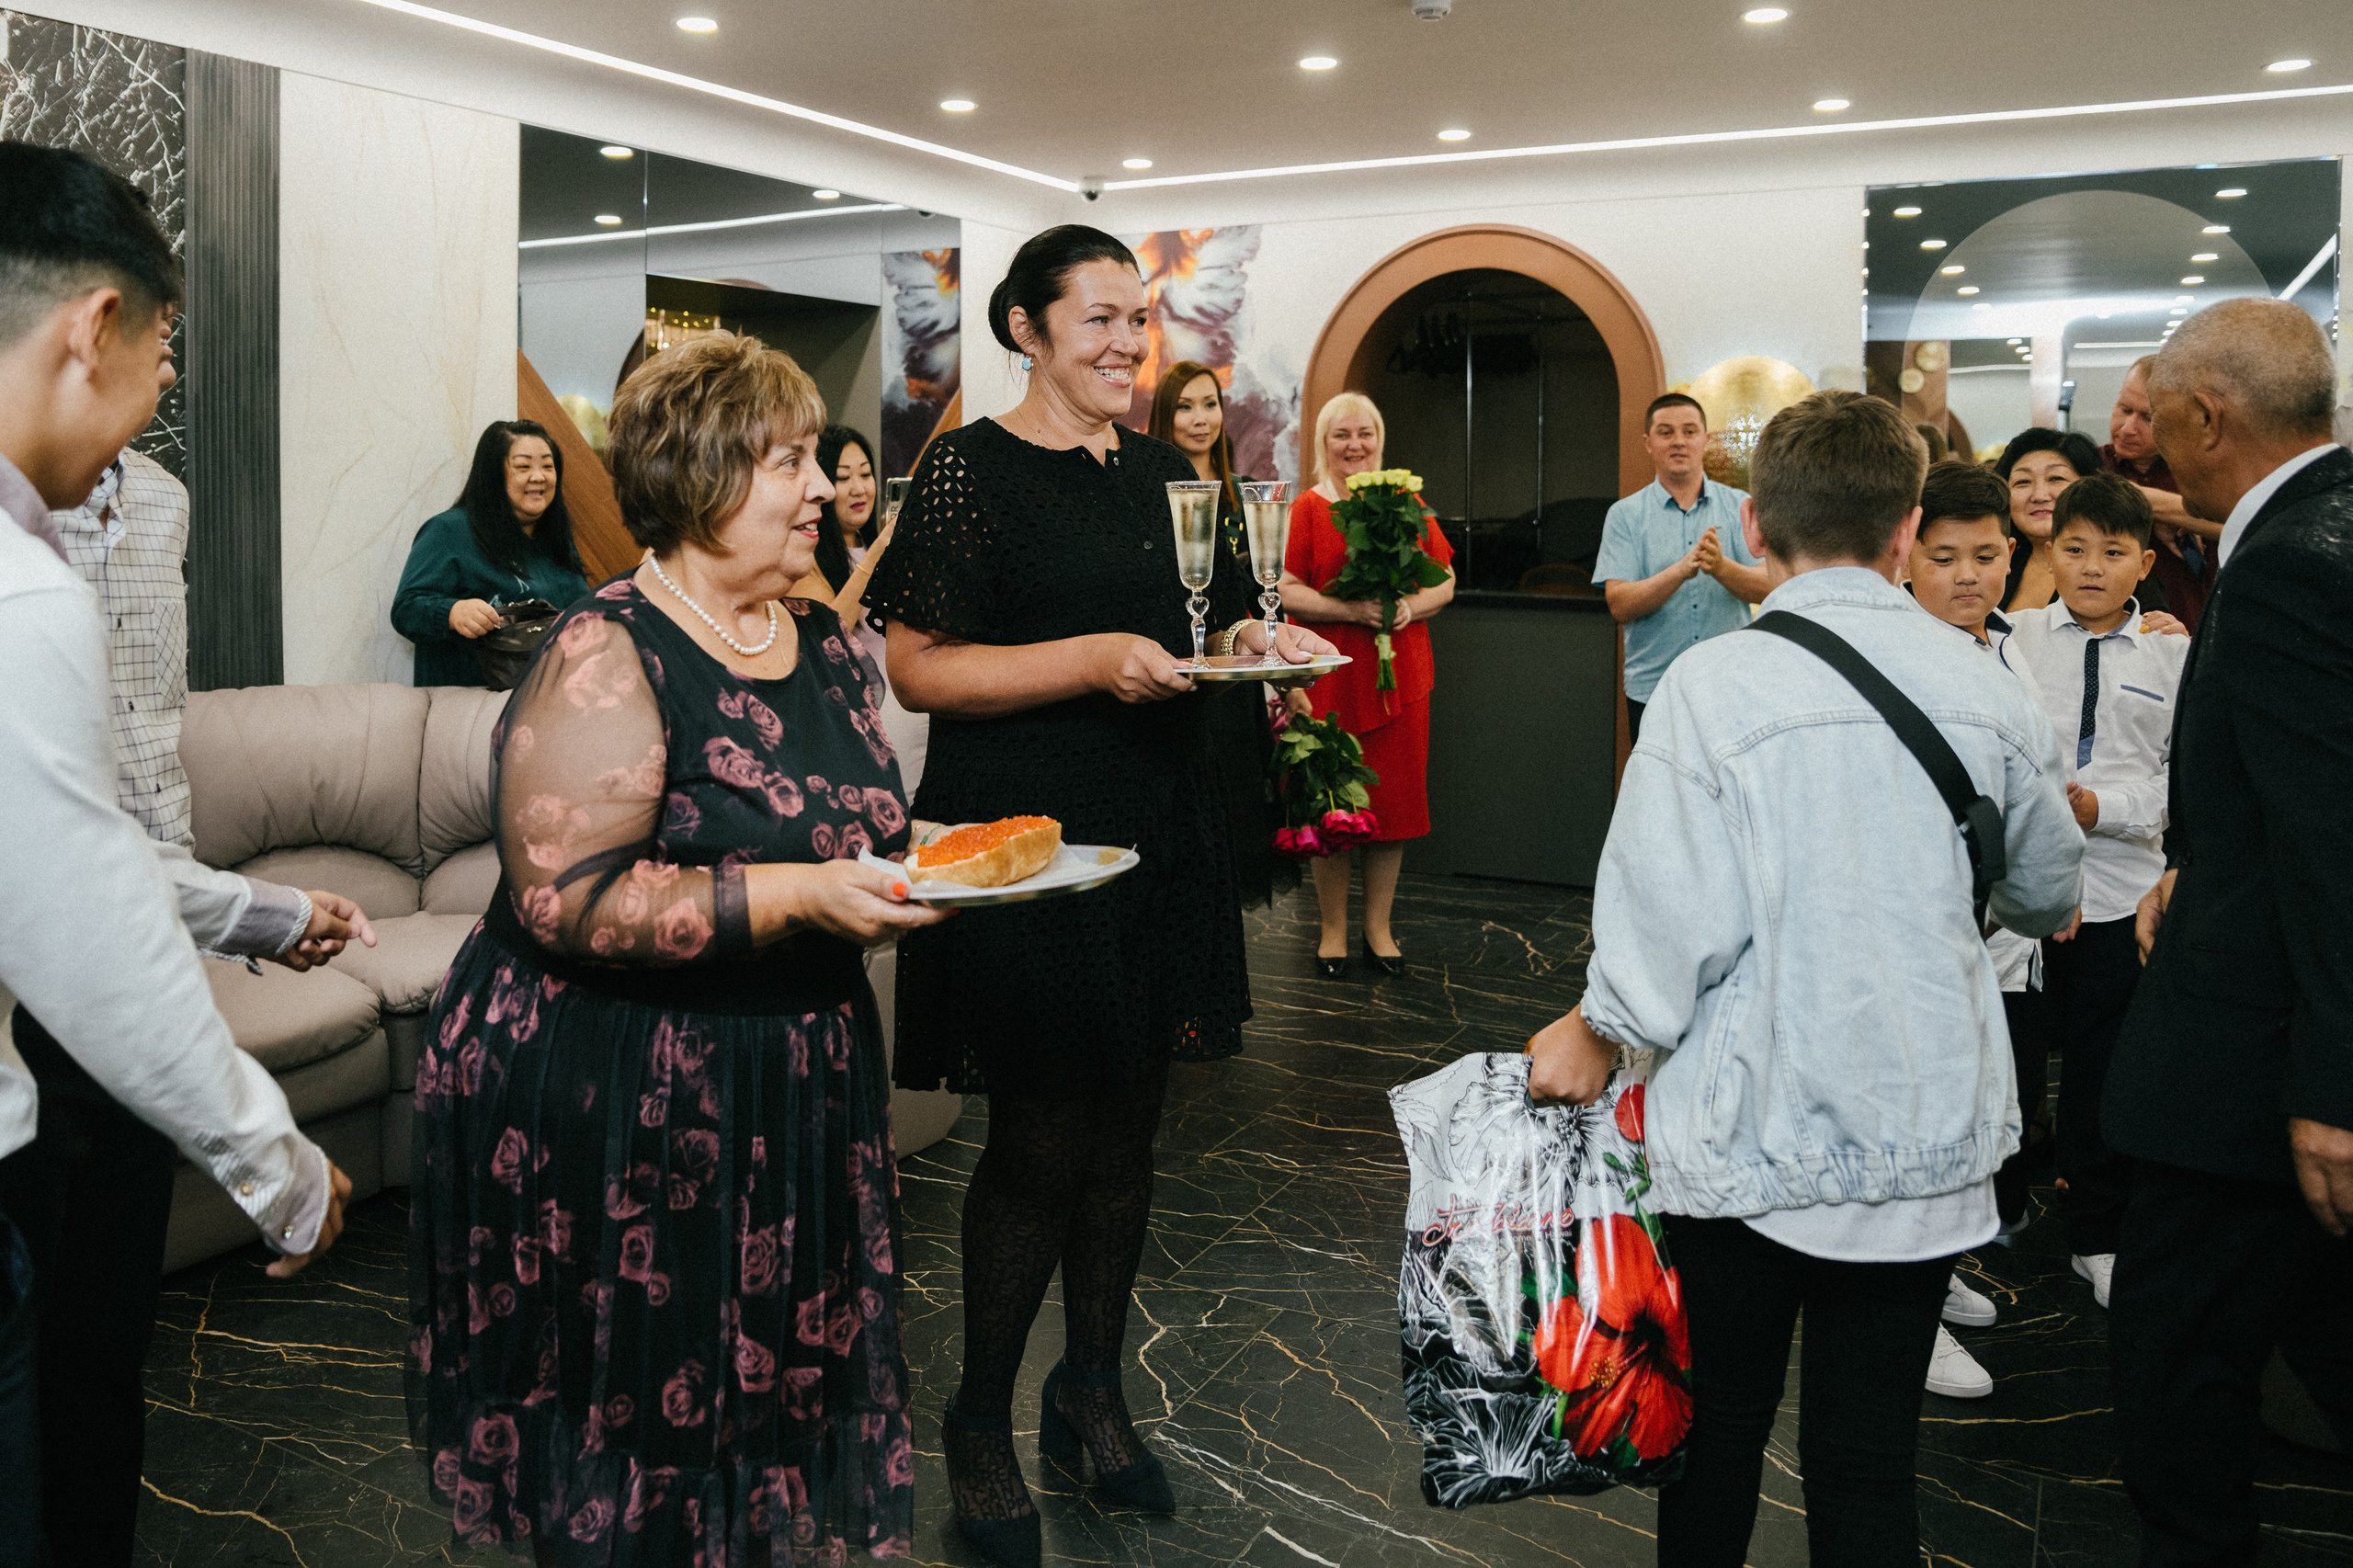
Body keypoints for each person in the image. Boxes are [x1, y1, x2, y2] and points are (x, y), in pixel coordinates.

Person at [409, 332, 940, 1564]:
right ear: (703, 476)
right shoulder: (610, 646)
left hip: (791, 1075)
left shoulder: (814, 636)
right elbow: (567, 901)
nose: (823, 488)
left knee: (758, 1404)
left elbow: (854, 821)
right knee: (641, 1413)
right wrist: (803, 896)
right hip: (625, 1088)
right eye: (791, 461)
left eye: (817, 460)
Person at [1528, 390, 2082, 1568]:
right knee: (1870, 1458)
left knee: (1717, 1434)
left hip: (1747, 1125)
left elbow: (1667, 910)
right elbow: (2043, 892)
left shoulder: (1711, 687)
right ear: (1905, 526)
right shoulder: (1987, 683)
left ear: (1761, 525)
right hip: (1923, 1121)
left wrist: (1601, 1021)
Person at [867, 225, 1333, 1568]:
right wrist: (1086, 658)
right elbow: (920, 668)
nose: (1131, 343)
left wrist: (1260, 638)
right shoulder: (968, 468)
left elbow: (1216, 615)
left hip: (1158, 834)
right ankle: (975, 1416)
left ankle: (1092, 1391)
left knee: (1129, 1130)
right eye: (1101, 320)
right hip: (1032, 848)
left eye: (1140, 321)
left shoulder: (1163, 467)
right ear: (1025, 328)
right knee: (1035, 1143)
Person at [0, 139, 352, 1567]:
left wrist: (251, 911)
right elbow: (80, 917)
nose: (158, 395)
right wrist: (280, 1162)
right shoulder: (22, 589)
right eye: (162, 356)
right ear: (92, 327)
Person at [2103, 297, 2353, 1562]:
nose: (2139, 436)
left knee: (2176, 1357)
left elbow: (2337, 837)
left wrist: (2331, 1088)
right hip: (2264, 981)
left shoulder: (2294, 564)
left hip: (2255, 1061)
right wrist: (2204, 862)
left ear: (2211, 415)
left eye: (2155, 409)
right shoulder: (2329, 517)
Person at [2004, 471, 2186, 1315]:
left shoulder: (2171, 651)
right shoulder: (2013, 639)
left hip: (2121, 892)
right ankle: (1990, 1216)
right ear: (2049, 552)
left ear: (2143, 562)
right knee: (2006, 1063)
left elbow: (2177, 781)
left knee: (2100, 1068)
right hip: (2020, 896)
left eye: (2113, 553)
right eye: (2073, 549)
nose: (2091, 568)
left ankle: (2095, 1231)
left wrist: (2101, 808)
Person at [1903, 457, 2054, 1402]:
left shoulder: (2012, 644)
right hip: (1925, 941)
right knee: (1926, 1123)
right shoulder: (1898, 656)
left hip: (2008, 941)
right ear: (1905, 556)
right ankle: (1907, 1312)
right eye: (1945, 556)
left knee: (1986, 1124)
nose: (1968, 575)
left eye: (1986, 555)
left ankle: (1939, 1265)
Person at [1277, 392, 1457, 975]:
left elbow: (1446, 580)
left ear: (1380, 441)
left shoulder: (1406, 502)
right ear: (1323, 444)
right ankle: (1332, 932)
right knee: (1333, 802)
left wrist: (1407, 607)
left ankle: (1379, 930)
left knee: (1393, 808)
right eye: (1340, 435)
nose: (1354, 445)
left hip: (1399, 676)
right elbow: (1286, 588)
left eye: (1365, 434)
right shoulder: (1309, 508)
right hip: (1330, 673)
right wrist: (1349, 610)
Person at [1149, 358, 1296, 909]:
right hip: (1184, 669)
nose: (1199, 417)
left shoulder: (1246, 495)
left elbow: (1265, 597)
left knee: (1238, 804)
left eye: (1209, 403)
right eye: (1184, 405)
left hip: (1240, 672)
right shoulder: (1155, 495)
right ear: (1165, 416)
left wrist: (1288, 683)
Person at [1593, 393, 1768, 744]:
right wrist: (1679, 572)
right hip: (1653, 689)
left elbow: (1770, 586)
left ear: (1706, 439)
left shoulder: (1741, 507)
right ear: (1647, 443)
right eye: (1666, 432)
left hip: (1729, 684)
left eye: (1690, 431)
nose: (1679, 441)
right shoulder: (1625, 516)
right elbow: (1620, 605)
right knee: (1659, 795)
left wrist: (1721, 568)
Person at [391, 418, 590, 687]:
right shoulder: (449, 531)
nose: (539, 476)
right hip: (468, 709)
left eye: (547, 466)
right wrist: (452, 612)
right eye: (523, 466)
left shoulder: (557, 541)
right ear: (493, 474)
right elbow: (405, 609)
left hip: (544, 703)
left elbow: (582, 616)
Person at [2105, 356, 2222, 631]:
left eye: (2147, 417)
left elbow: (2245, 523)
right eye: (2124, 409)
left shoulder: (2205, 471)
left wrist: (2155, 505)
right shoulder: (2093, 464)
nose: (2128, 428)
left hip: (2190, 627)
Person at [1995, 428, 2102, 615]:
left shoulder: (2116, 564)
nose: (2039, 496)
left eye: (2056, 478)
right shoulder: (1995, 563)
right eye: (2023, 482)